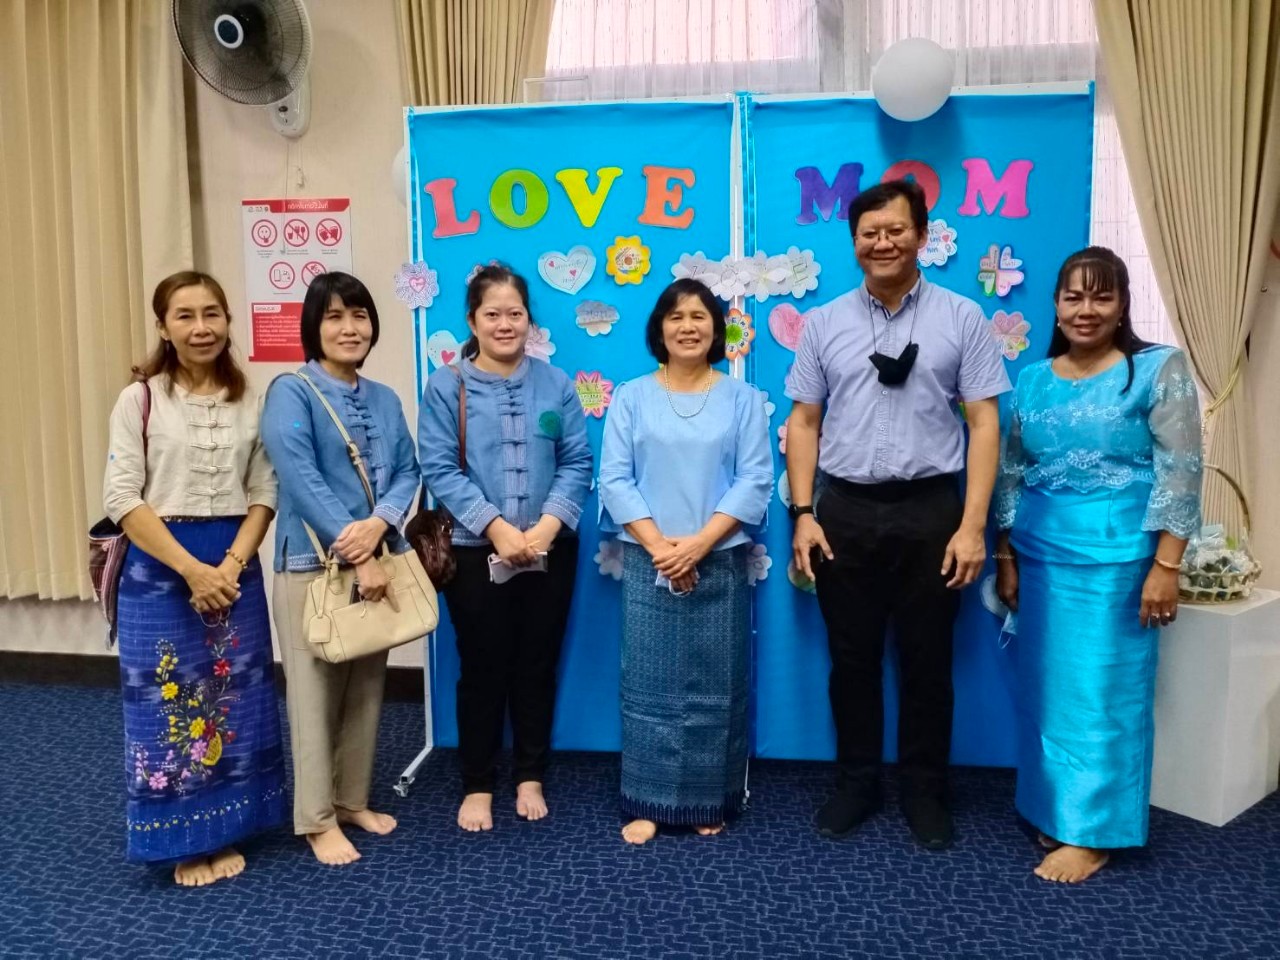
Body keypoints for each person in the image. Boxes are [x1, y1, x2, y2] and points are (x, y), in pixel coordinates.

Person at [785, 179, 1010, 849]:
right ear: (853, 241)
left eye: (895, 230)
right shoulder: (825, 323)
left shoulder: (962, 317)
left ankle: (924, 791)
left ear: (922, 235)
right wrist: (804, 513)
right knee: (850, 660)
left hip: (931, 511)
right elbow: (805, 422)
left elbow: (985, 423)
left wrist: (973, 526)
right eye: (868, 233)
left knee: (927, 661)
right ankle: (857, 784)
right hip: (845, 511)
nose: (882, 242)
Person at [994, 246, 1201, 883]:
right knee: (1047, 692)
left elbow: (1181, 471)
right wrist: (1005, 555)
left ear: (1122, 304)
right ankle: (1056, 809)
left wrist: (1167, 565)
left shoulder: (1156, 368)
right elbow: (1012, 471)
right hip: (1039, 554)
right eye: (1074, 296)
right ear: (1056, 305)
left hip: (1119, 560)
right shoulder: (1032, 378)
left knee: (1103, 694)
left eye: (1101, 296)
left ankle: (1093, 833)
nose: (1087, 309)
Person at [103, 271, 285, 887]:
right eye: (185, 316)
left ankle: (228, 828)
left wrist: (229, 566)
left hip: (234, 565)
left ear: (228, 321)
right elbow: (122, 497)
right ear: (163, 327)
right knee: (170, 702)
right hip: (159, 570)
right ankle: (183, 840)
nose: (201, 327)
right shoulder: (140, 399)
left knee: (236, 698)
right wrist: (191, 570)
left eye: (212, 313)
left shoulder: (251, 399)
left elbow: (263, 490)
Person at [419, 264, 592, 833]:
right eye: (491, 313)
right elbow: (439, 468)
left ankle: (530, 774)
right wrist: (495, 528)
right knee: (482, 666)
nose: (504, 323)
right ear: (472, 321)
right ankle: (477, 782)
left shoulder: (556, 383)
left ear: (529, 321)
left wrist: (546, 528)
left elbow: (577, 461)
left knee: (538, 662)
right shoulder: (446, 386)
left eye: (514, 313)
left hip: (551, 548)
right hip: (474, 551)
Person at [600, 278, 773, 845]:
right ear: (659, 328)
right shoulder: (631, 397)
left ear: (717, 329)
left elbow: (755, 480)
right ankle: (646, 801)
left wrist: (698, 545)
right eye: (675, 316)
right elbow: (615, 479)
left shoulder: (743, 399)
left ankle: (707, 799)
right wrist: (661, 549)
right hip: (648, 559)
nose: (688, 326)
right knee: (647, 686)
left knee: (715, 686)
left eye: (700, 316)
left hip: (717, 559)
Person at [261, 271, 420, 866]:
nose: (350, 328)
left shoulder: (384, 398)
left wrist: (380, 526)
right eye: (334, 316)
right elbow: (299, 479)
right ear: (314, 326)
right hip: (312, 566)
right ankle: (316, 819)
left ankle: (351, 800)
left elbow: (408, 471)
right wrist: (360, 553)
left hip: (377, 561)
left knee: (367, 688)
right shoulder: (292, 391)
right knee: (313, 695)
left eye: (359, 315)